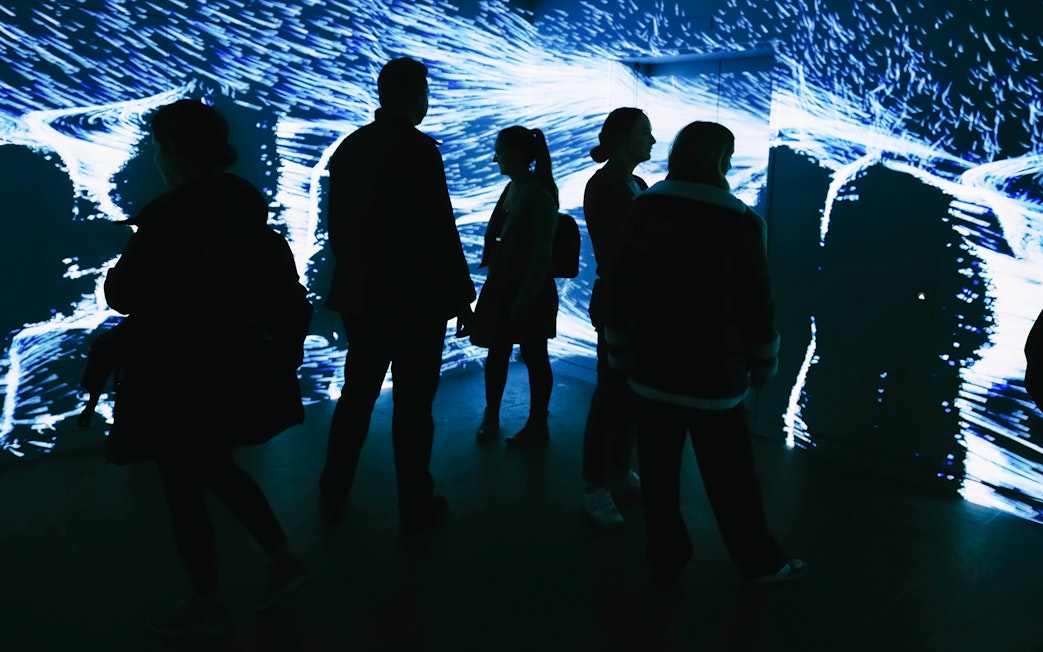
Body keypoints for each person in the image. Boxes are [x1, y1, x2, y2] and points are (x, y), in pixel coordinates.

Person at [103, 99, 311, 638]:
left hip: (177, 373)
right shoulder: (244, 209)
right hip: (231, 369)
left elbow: (121, 294)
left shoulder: (169, 220)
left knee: (183, 482)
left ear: (173, 151)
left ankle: (208, 599)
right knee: (214, 467)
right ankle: (280, 561)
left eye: (157, 146)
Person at [606, 121, 806, 585]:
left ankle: (666, 557)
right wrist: (763, 362)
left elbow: (621, 285)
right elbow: (758, 301)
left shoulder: (644, 208)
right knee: (731, 479)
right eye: (729, 157)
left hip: (650, 369)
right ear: (719, 160)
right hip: (713, 377)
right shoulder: (738, 220)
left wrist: (619, 350)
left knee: (657, 474)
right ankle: (760, 562)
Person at [318, 57, 476, 530]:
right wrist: (461, 296)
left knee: (357, 396)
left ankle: (332, 488)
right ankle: (415, 503)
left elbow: (337, 229)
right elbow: (438, 231)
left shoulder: (349, 149)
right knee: (413, 407)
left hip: (363, 298)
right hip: (415, 302)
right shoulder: (419, 150)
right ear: (414, 95)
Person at [579, 107, 655, 527]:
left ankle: (617, 470)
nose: (652, 139)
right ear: (625, 137)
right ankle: (594, 484)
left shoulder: (633, 182)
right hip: (619, 302)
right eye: (645, 132)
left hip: (632, 301)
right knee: (611, 392)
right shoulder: (607, 186)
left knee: (626, 392)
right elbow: (622, 249)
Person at [469, 126, 560, 448]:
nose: (495, 158)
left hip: (524, 290)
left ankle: (530, 423)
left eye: (501, 151)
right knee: (512, 354)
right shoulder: (519, 189)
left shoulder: (535, 195)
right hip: (509, 286)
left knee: (530, 356)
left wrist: (523, 300)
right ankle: (511, 419)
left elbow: (540, 258)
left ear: (518, 154)